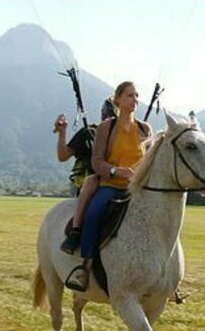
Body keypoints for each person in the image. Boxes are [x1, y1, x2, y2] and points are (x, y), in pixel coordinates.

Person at [65, 82, 152, 291]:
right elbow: (96, 161)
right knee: (94, 214)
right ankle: (84, 267)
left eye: (137, 96)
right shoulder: (107, 127)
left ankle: (165, 275)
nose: (135, 100)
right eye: (130, 95)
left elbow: (150, 161)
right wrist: (115, 171)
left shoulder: (145, 129)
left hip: (137, 189)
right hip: (111, 186)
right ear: (118, 99)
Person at [55, 98, 118, 254]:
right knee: (91, 182)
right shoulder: (87, 133)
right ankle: (76, 233)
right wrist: (62, 133)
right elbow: (63, 156)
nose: (109, 116)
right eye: (107, 113)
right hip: (93, 183)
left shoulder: (128, 134)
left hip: (119, 181)